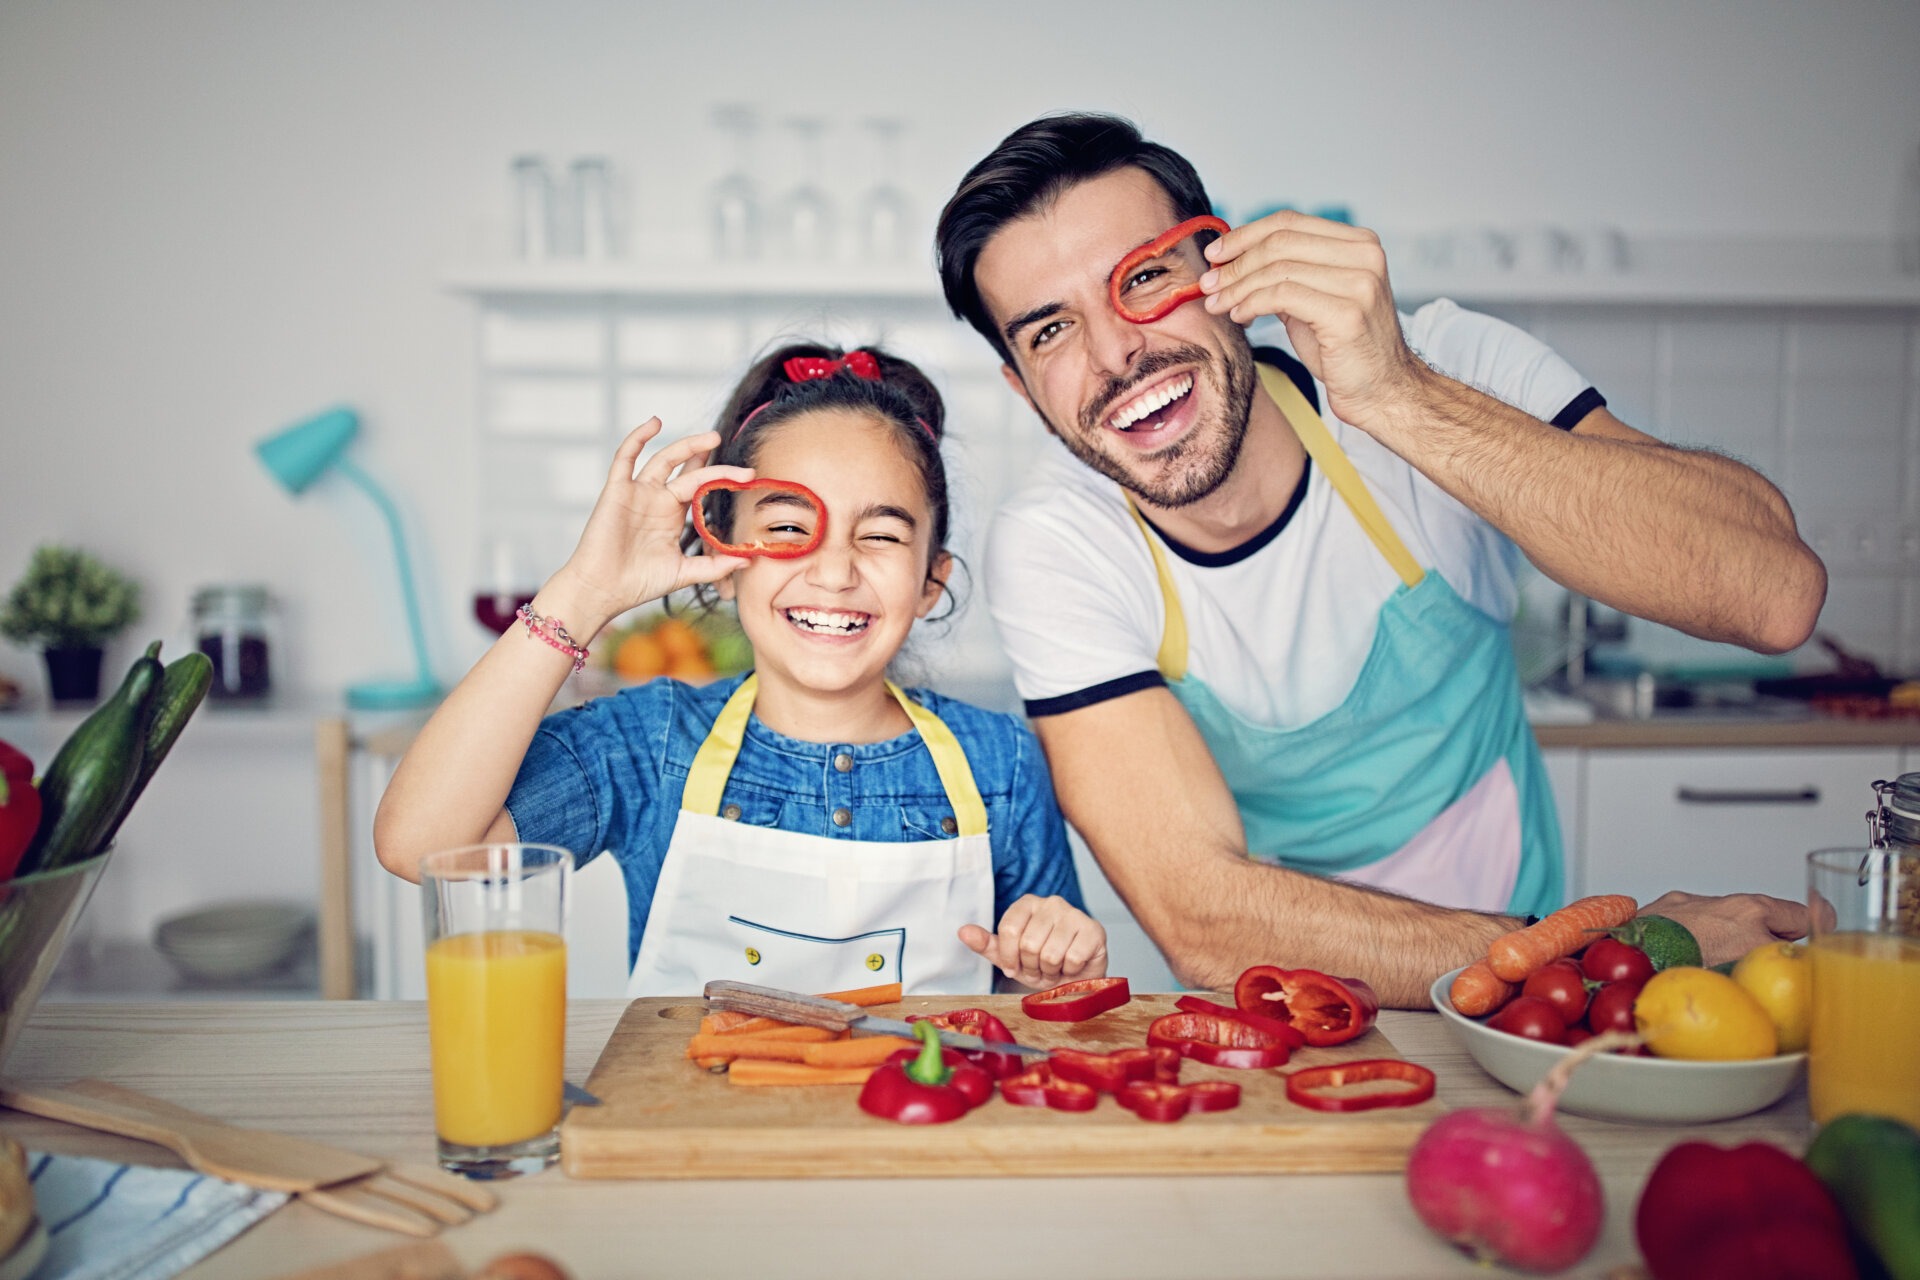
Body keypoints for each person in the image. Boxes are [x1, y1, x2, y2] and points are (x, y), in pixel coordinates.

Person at [934, 113, 1827, 1006]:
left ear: (1224, 270)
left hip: (1527, 972)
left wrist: (1396, 392)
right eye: (1050, 331)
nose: (1114, 351)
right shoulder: (1059, 542)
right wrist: (1601, 954)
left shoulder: (1445, 362)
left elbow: (1774, 595)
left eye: (1145, 278)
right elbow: (1203, 919)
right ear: (1021, 387)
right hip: (1293, 998)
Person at [373, 342, 1104, 996]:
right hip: (696, 1145)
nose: (836, 571)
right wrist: (584, 593)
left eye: (879, 535)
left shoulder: (1000, 761)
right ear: (722, 562)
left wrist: (1055, 963)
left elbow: (1034, 1006)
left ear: (930, 581)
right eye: (788, 529)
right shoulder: (651, 742)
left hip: (915, 1144)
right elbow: (419, 845)